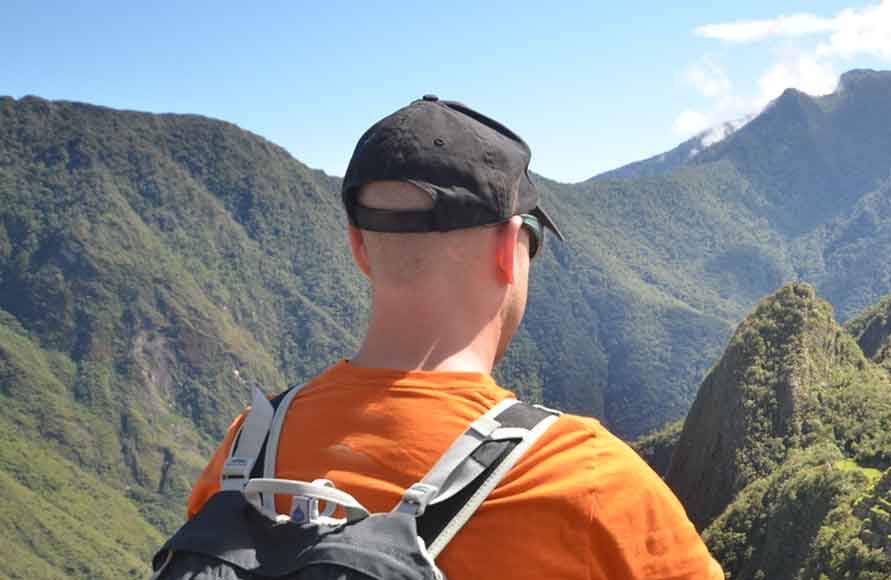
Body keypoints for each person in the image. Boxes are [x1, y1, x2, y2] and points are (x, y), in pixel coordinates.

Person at [184, 95, 723, 579]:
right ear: (507, 248)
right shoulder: (588, 484)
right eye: (531, 240)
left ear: (357, 248)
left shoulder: (244, 458)